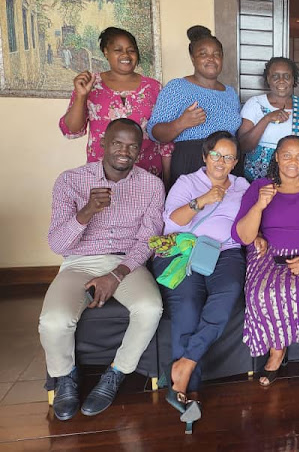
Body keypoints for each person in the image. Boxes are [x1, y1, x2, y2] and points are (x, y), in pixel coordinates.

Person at [40, 118, 164, 421]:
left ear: (139, 151)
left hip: (127, 262)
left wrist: (116, 274)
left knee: (150, 307)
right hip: (79, 261)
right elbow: (57, 243)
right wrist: (86, 214)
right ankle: (65, 376)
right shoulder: (71, 180)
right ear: (103, 144)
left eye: (132, 146)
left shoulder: (151, 184)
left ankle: (117, 373)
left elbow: (148, 239)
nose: (125, 151)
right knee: (54, 320)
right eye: (118, 143)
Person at [152, 131, 249, 430]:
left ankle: (184, 365)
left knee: (230, 290)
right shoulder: (187, 182)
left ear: (235, 162)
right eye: (216, 155)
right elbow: (172, 223)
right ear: (205, 156)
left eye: (228, 157)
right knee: (188, 306)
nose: (221, 162)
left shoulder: (243, 187)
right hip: (184, 250)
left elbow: (248, 223)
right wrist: (203, 200)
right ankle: (190, 389)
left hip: (226, 252)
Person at [233, 135, 299, 388]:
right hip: (271, 250)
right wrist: (260, 205)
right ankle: (276, 351)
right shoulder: (260, 186)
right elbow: (242, 235)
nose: (293, 161)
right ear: (277, 157)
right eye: (287, 155)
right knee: (266, 293)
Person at [59, 27, 172, 177]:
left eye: (131, 50)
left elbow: (164, 138)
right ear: (106, 52)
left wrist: (168, 179)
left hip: (147, 175)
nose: (126, 55)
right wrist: (81, 96)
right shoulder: (91, 84)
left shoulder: (153, 87)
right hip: (103, 176)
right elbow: (71, 130)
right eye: (118, 50)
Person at [147, 26, 242, 189]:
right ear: (192, 58)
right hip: (191, 163)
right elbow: (154, 132)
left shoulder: (230, 93)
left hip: (227, 166)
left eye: (216, 54)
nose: (211, 59)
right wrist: (181, 123)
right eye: (203, 54)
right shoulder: (178, 87)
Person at [238, 57, 299, 181]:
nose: (281, 81)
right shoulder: (255, 104)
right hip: (257, 177)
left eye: (287, 76)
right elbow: (244, 146)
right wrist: (267, 118)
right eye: (275, 76)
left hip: (292, 176)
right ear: (268, 79)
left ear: (293, 79)